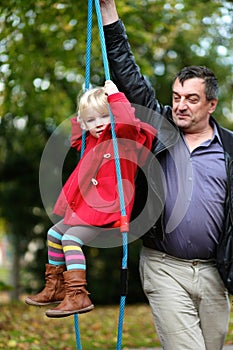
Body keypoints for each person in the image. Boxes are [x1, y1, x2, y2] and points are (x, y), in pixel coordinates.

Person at [100, 1, 233, 350]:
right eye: (176, 97)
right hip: (163, 265)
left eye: (191, 99)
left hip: (214, 273)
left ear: (211, 104)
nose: (180, 105)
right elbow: (125, 69)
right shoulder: (157, 127)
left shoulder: (231, 149)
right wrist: (107, 9)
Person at [25, 79, 156, 318]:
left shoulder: (124, 140)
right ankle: (56, 287)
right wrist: (82, 112)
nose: (98, 125)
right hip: (87, 208)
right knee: (54, 233)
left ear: (114, 116)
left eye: (103, 117)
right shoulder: (92, 141)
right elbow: (77, 140)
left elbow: (126, 122)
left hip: (106, 207)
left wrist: (115, 96)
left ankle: (78, 295)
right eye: (91, 120)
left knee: (71, 238)